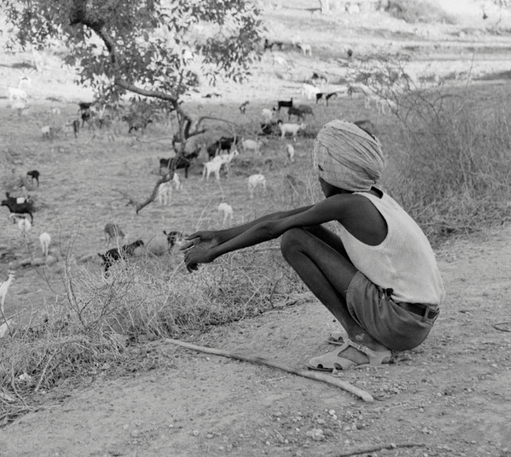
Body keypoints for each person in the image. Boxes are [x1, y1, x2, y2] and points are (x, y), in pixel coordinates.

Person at [181, 120, 444, 371]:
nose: (319, 180)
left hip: (399, 324)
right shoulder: (370, 197)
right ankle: (366, 333)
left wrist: (214, 253)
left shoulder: (348, 204)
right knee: (305, 229)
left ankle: (362, 340)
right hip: (412, 323)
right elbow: (279, 218)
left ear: (330, 173)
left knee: (293, 239)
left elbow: (274, 229)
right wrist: (218, 235)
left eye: (320, 172)